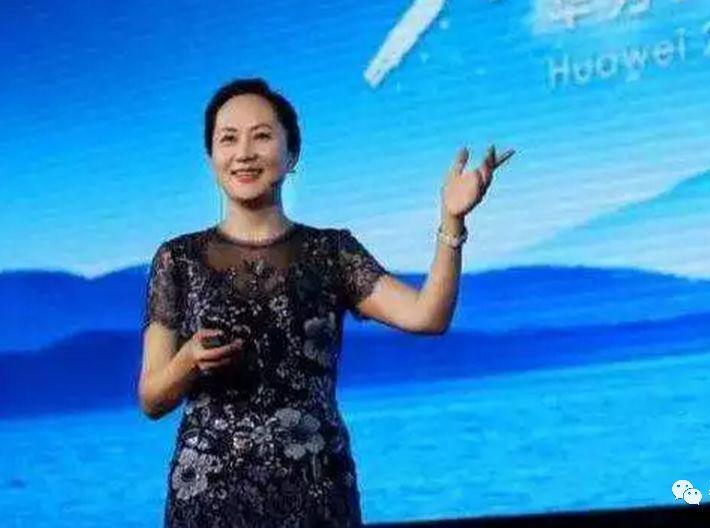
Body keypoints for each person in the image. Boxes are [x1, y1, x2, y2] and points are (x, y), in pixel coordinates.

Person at [138, 77, 515, 527]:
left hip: (316, 490)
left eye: (262, 136)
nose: (244, 153)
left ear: (292, 154)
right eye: (228, 139)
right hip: (209, 498)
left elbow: (428, 316)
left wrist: (451, 220)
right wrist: (188, 360)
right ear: (210, 158)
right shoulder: (178, 259)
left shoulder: (332, 252)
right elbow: (152, 399)